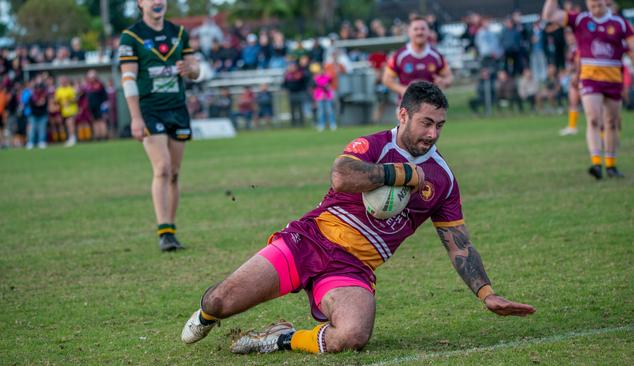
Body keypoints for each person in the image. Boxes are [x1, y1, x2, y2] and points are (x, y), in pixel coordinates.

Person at [181, 81, 536, 355]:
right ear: (403, 115)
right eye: (426, 123)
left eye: (440, 125)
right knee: (219, 301)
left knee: (353, 336)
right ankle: (207, 315)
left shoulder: (443, 179)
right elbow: (341, 174)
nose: (433, 134)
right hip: (308, 241)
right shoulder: (373, 145)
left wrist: (487, 293)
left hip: (351, 269)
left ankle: (278, 340)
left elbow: (459, 243)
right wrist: (402, 175)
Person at [119, 0, 203, 251]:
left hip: (177, 108)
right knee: (163, 167)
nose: (158, 2)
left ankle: (171, 230)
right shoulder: (131, 36)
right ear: (140, 3)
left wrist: (191, 69)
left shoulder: (178, 33)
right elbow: (129, 79)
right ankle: (163, 231)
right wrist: (135, 117)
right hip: (149, 110)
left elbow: (196, 71)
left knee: (175, 172)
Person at [543, 0, 634, 179]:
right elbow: (549, 15)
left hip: (613, 78)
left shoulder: (620, 23)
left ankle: (610, 165)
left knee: (612, 122)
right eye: (591, 6)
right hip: (590, 77)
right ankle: (596, 163)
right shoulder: (580, 20)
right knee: (593, 119)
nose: (595, 9)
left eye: (598, 5)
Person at [383, 17, 453, 99]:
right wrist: (402, 89)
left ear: (428, 31)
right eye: (416, 29)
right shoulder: (399, 55)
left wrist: (444, 81)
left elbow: (449, 77)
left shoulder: (436, 55)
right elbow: (387, 80)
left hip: (431, 105)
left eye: (423, 29)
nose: (419, 32)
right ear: (409, 32)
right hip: (406, 107)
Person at [54, 76, 79, 147]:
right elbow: (56, 100)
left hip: (71, 110)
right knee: (66, 125)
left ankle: (72, 138)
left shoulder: (70, 89)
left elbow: (75, 99)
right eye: (61, 81)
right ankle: (70, 138)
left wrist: (69, 101)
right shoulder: (59, 90)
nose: (63, 82)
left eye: (64, 81)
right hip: (63, 111)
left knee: (70, 123)